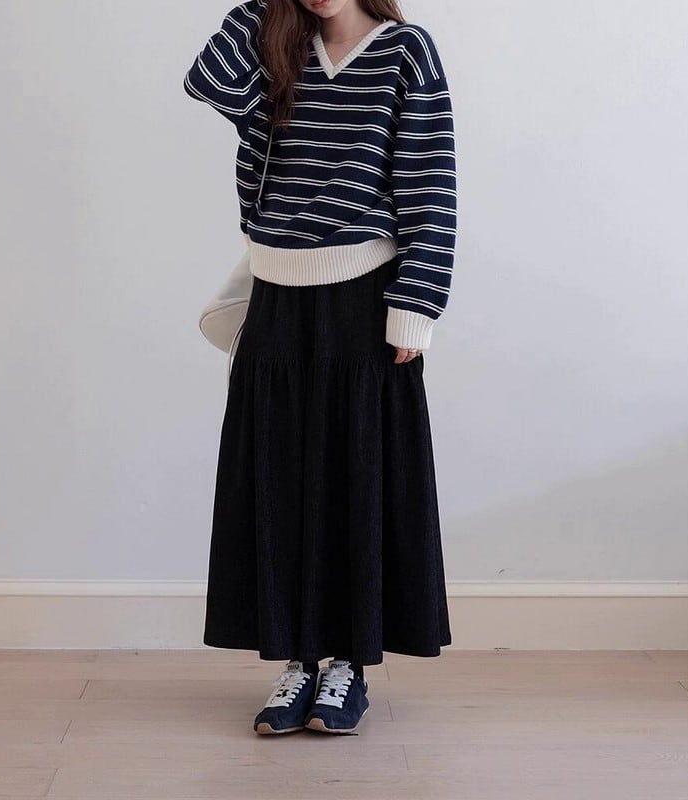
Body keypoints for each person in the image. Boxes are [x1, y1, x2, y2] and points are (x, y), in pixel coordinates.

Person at [183, 0, 455, 736]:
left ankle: (347, 667)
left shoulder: (405, 52)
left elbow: (430, 185)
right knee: (279, 480)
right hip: (276, 294)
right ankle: (298, 662)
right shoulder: (277, 44)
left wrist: (416, 307)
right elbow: (206, 79)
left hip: (364, 299)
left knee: (354, 485)